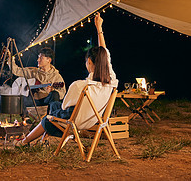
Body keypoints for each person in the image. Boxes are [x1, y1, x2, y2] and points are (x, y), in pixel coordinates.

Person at [15, 13, 118, 146]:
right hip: (93, 120)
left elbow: (65, 106)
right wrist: (99, 28)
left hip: (74, 124)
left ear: (90, 62)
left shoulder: (81, 86)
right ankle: (43, 139)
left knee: (48, 119)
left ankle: (24, 141)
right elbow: (105, 54)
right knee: (53, 105)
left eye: (86, 61)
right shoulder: (111, 81)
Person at [7, 47, 66, 117]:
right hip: (34, 101)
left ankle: (54, 119)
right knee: (19, 98)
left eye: (41, 58)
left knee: (55, 94)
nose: (38, 60)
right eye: (38, 57)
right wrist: (10, 58)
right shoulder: (34, 72)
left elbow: (62, 93)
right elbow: (17, 71)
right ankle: (26, 120)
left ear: (48, 60)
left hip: (46, 102)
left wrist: (52, 90)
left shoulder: (56, 76)